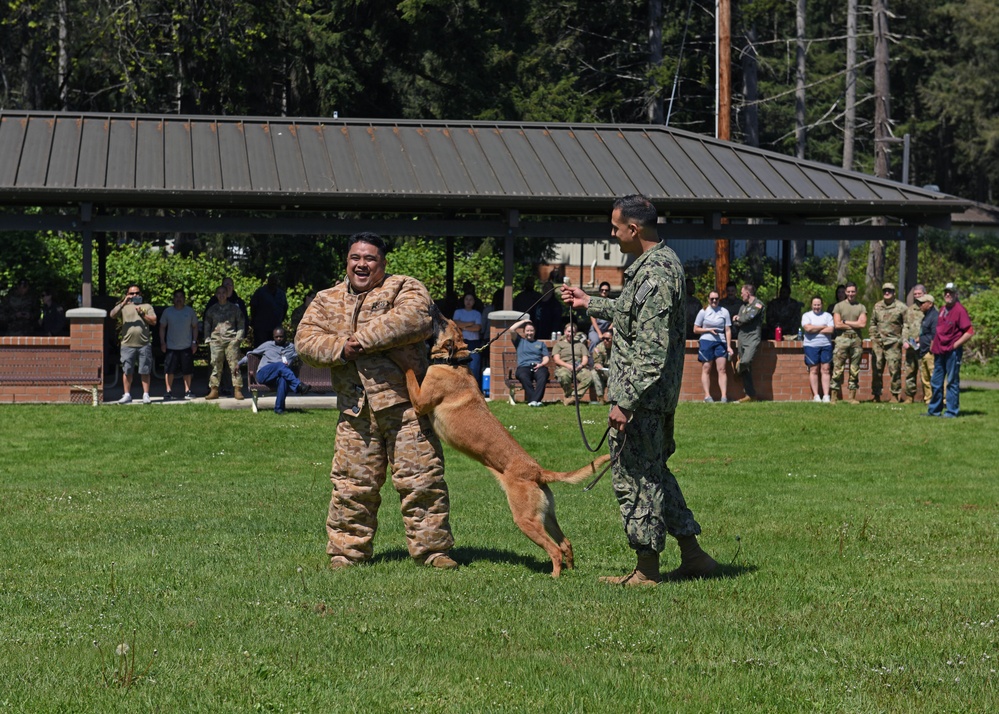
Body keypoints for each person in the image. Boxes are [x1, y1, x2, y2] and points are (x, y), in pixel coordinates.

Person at [561, 194, 717, 587]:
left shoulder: (656, 274)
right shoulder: (651, 266)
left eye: (615, 227)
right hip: (647, 397)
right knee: (656, 475)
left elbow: (652, 350)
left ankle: (646, 570)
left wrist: (625, 402)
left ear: (634, 229)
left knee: (637, 480)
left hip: (642, 399)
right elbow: (633, 314)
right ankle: (694, 556)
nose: (612, 234)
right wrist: (590, 302)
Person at [295, 232, 456, 570]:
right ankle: (346, 552)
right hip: (356, 411)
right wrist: (341, 350)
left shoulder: (404, 288)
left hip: (407, 407)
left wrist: (359, 342)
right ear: (347, 261)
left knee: (422, 481)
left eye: (370, 259)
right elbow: (306, 342)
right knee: (352, 486)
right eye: (356, 257)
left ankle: (432, 551)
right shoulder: (326, 299)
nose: (362, 264)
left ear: (383, 264)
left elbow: (414, 319)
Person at [926, 283, 974, 418]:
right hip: (939, 351)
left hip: (952, 352)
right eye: (946, 292)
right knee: (936, 381)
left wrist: (955, 345)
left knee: (952, 382)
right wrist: (933, 343)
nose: (948, 295)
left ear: (956, 295)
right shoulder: (942, 309)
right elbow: (939, 329)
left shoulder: (960, 310)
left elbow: (969, 332)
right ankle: (934, 410)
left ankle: (951, 411)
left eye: (951, 292)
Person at [240, 327, 310, 414]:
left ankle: (279, 409)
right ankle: (298, 385)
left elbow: (303, 353)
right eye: (276, 337)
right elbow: (251, 354)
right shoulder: (267, 345)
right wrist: (239, 363)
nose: (279, 339)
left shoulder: (291, 348)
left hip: (276, 377)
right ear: (273, 337)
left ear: (286, 336)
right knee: (280, 365)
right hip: (263, 374)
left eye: (281, 336)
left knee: (283, 380)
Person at [109, 283, 157, 405]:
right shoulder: (124, 307)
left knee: (145, 371)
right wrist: (123, 303)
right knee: (127, 370)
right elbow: (112, 315)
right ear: (127, 295)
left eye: (137, 293)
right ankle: (127, 395)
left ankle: (146, 395)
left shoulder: (146, 306)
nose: (134, 295)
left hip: (144, 344)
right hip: (127, 344)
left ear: (140, 294)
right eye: (131, 293)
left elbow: (154, 321)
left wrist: (142, 314)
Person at [203, 285, 246, 401]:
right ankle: (214, 389)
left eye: (223, 292)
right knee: (215, 366)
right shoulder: (212, 309)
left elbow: (241, 323)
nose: (221, 295)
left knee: (234, 366)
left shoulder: (234, 308)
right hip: (216, 341)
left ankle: (237, 389)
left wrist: (238, 339)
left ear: (227, 294)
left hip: (231, 341)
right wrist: (207, 339)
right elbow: (207, 324)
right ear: (216, 295)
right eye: (219, 293)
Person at [869, 282, 908, 402]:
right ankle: (876, 395)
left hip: (893, 343)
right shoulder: (877, 306)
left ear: (894, 293)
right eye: (885, 290)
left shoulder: (901, 307)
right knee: (877, 370)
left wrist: (902, 339)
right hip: (878, 344)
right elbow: (872, 323)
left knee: (894, 370)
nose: (887, 293)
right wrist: (874, 337)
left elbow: (906, 324)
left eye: (889, 291)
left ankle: (895, 396)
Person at [159, 288, 199, 400]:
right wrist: (162, 342)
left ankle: (187, 391)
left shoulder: (190, 311)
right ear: (173, 299)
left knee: (187, 370)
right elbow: (162, 327)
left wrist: (194, 342)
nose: (179, 299)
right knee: (169, 370)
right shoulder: (168, 312)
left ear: (184, 299)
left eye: (181, 297)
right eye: (176, 297)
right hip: (171, 347)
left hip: (186, 346)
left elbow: (195, 327)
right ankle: (168, 391)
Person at [693, 290, 733, 402]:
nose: (714, 301)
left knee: (722, 369)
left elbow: (728, 330)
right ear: (708, 299)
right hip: (706, 341)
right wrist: (708, 330)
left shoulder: (724, 311)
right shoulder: (703, 311)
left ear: (719, 299)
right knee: (706, 368)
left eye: (716, 298)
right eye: (712, 299)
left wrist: (729, 346)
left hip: (721, 342)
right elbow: (695, 329)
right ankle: (707, 396)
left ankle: (724, 396)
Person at [831, 282, 867, 404]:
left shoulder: (861, 307)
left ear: (856, 292)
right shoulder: (839, 306)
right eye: (848, 291)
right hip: (842, 340)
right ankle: (834, 396)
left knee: (854, 369)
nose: (851, 294)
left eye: (853, 291)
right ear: (845, 292)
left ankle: (852, 397)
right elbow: (837, 324)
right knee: (838, 368)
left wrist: (845, 321)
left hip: (856, 340)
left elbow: (862, 324)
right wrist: (854, 324)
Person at [732, 283, 765, 402]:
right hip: (742, 337)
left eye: (742, 292)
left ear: (747, 293)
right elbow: (738, 322)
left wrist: (738, 318)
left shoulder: (758, 304)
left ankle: (738, 367)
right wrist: (738, 319)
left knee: (746, 361)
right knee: (747, 369)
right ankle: (750, 395)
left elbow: (747, 318)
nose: (741, 295)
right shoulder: (743, 307)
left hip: (752, 337)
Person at [551, 321, 594, 406]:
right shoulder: (559, 345)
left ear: (575, 333)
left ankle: (573, 397)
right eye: (569, 331)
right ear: (565, 332)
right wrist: (568, 366)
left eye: (573, 332)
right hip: (564, 367)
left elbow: (585, 359)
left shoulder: (580, 345)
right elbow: (557, 360)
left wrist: (581, 366)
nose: (570, 334)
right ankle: (568, 395)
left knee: (588, 376)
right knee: (563, 375)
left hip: (578, 368)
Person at [510, 318, 551, 407]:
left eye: (531, 330)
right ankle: (536, 400)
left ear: (534, 332)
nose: (529, 333)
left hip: (538, 366)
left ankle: (533, 400)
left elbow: (546, 357)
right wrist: (524, 321)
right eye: (527, 331)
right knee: (523, 376)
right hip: (523, 367)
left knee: (543, 375)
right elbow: (512, 329)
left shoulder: (541, 344)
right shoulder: (519, 341)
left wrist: (541, 364)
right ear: (524, 332)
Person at [801, 296, 835, 402]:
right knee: (814, 370)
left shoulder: (827, 316)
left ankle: (826, 395)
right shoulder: (806, 315)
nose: (817, 307)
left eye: (819, 304)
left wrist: (814, 328)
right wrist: (822, 327)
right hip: (811, 346)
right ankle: (816, 396)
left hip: (826, 345)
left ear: (822, 305)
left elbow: (831, 330)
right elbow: (808, 328)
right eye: (815, 305)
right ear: (811, 305)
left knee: (826, 369)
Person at [901, 284, 928, 404]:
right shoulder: (910, 309)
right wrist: (905, 340)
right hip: (911, 347)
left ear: (925, 294)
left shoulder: (929, 308)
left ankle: (926, 397)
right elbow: (905, 326)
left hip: (924, 347)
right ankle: (909, 397)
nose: (917, 296)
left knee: (924, 373)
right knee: (910, 372)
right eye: (915, 294)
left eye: (919, 294)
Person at [452, 292, 484, 386]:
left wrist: (463, 326)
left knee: (474, 367)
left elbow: (478, 327)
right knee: (461, 366)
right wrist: (470, 323)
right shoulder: (458, 312)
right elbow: (456, 324)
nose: (468, 301)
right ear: (463, 301)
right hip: (462, 342)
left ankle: (475, 387)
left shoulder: (477, 313)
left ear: (474, 301)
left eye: (471, 300)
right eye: (466, 299)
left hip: (474, 343)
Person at [250, 273, 288, 347]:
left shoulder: (281, 294)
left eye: (276, 281)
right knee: (261, 348)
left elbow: (285, 307)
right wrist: (254, 321)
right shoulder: (260, 292)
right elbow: (253, 307)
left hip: (276, 326)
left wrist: (280, 320)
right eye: (272, 280)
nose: (274, 282)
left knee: (275, 349)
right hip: (261, 327)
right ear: (268, 281)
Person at [588, 281, 613, 350]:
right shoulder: (595, 303)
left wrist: (608, 331)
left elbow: (615, 319)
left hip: (608, 330)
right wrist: (599, 334)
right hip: (596, 330)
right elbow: (593, 320)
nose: (604, 291)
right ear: (599, 291)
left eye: (606, 290)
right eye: (602, 290)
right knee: (595, 341)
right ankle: (592, 358)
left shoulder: (611, 303)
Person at [590, 328, 613, 403]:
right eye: (603, 339)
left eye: (607, 339)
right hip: (605, 371)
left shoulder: (618, 348)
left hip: (615, 371)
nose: (605, 341)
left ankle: (613, 398)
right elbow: (597, 361)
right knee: (594, 372)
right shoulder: (599, 348)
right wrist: (598, 365)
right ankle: (600, 398)